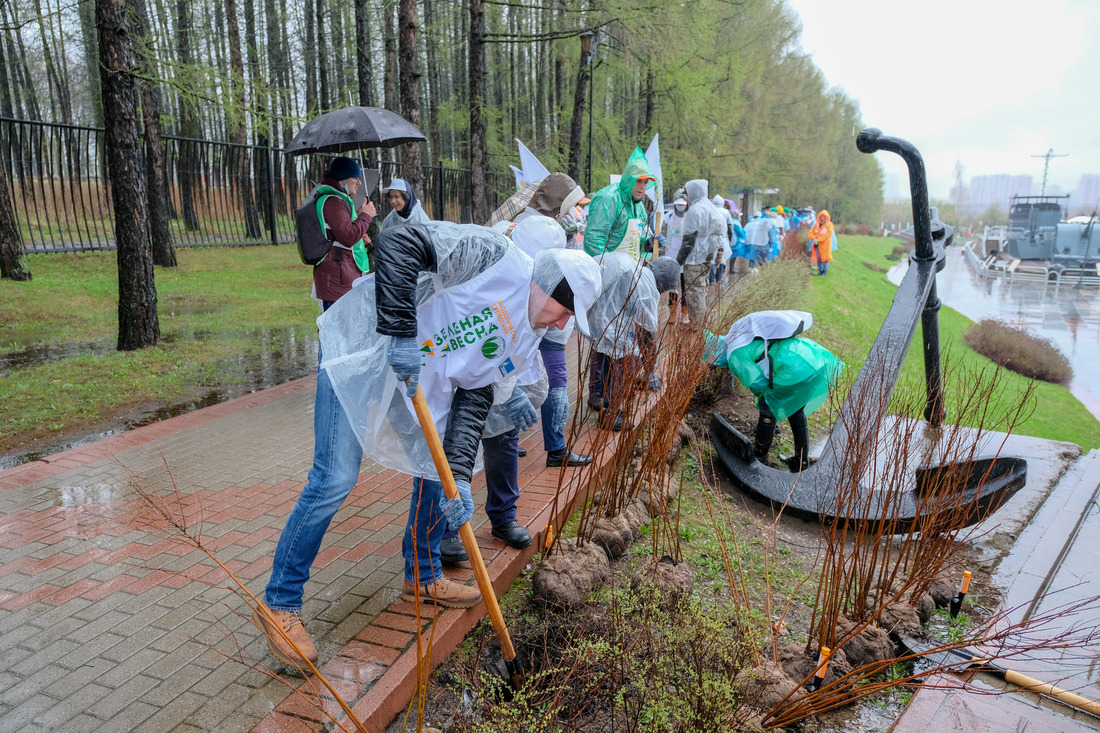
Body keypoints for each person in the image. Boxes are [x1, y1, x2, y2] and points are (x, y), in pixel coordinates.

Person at [254, 221, 601, 668]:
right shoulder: (493, 256)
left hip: (419, 385)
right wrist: (399, 333)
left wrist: (457, 474)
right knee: (335, 476)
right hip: (370, 346)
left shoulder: (526, 337)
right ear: (547, 285)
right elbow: (399, 240)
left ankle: (423, 575)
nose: (564, 322)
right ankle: (280, 601)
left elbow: (472, 403)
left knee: (436, 475)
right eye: (565, 309)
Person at [706, 310, 843, 472]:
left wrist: (769, 414)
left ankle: (759, 455)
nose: (716, 367)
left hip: (793, 367)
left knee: (768, 404)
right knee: (795, 410)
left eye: (713, 364)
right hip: (806, 357)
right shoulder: (737, 340)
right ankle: (801, 461)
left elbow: (758, 385)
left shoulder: (734, 355)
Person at [586, 255, 680, 431]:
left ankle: (596, 395)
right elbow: (646, 335)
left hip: (594, 310)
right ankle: (612, 414)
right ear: (665, 284)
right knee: (626, 357)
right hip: (607, 317)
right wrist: (649, 369)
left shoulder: (639, 272)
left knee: (601, 347)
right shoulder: (649, 289)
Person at [313, 157, 377, 300]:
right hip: (338, 276)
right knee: (341, 321)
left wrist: (360, 238)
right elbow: (347, 237)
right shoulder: (333, 201)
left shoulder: (337, 198)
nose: (359, 183)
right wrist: (366, 215)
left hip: (340, 272)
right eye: (355, 178)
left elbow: (340, 232)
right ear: (342, 179)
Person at [583, 146, 656, 259]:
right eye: (639, 181)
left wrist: (648, 244)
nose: (642, 186)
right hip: (608, 270)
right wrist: (608, 266)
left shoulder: (639, 207)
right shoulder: (608, 199)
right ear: (629, 179)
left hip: (631, 269)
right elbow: (594, 239)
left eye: (646, 182)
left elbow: (637, 240)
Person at [676, 179, 723, 326]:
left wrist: (679, 260)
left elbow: (689, 240)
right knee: (701, 289)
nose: (685, 197)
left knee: (693, 291)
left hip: (694, 257)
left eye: (687, 194)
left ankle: (697, 325)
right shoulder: (710, 208)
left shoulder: (695, 211)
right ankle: (699, 322)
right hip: (706, 256)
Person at [663, 197, 689, 324]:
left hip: (686, 256)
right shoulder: (668, 217)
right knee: (673, 287)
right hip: (671, 255)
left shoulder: (689, 217)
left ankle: (684, 315)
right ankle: (672, 314)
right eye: (678, 204)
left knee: (685, 288)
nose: (680, 207)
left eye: (682, 204)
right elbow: (662, 232)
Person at [808, 209, 835, 276]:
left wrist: (818, 239)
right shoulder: (816, 225)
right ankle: (820, 271)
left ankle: (824, 272)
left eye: (824, 217)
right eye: (821, 216)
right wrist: (814, 239)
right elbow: (810, 233)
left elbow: (828, 234)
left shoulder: (829, 225)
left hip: (825, 245)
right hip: (817, 245)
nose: (822, 218)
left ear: (826, 217)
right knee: (819, 259)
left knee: (825, 259)